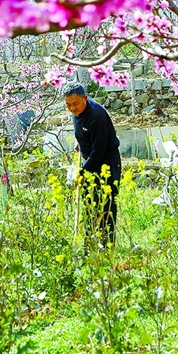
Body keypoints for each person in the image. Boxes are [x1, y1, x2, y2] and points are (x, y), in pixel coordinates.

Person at [62, 82, 121, 247]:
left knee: (105, 208)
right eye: (68, 104)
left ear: (85, 99)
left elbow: (99, 152)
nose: (72, 108)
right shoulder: (77, 110)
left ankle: (106, 249)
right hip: (89, 162)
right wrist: (79, 140)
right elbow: (82, 128)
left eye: (75, 104)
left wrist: (80, 173)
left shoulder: (96, 117)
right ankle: (89, 247)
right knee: (90, 207)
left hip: (105, 164)